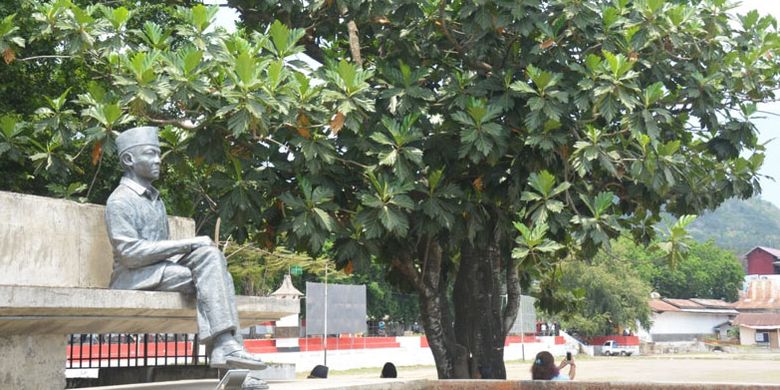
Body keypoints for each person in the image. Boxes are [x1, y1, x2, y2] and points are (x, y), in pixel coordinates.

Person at [104, 126, 265, 370]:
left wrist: (193, 250)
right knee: (218, 278)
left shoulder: (154, 199)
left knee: (211, 258)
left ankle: (227, 349)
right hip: (134, 277)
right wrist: (189, 242)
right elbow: (131, 255)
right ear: (129, 159)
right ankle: (230, 356)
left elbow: (159, 248)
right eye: (150, 154)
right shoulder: (120, 200)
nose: (159, 160)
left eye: (159, 154)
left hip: (159, 272)